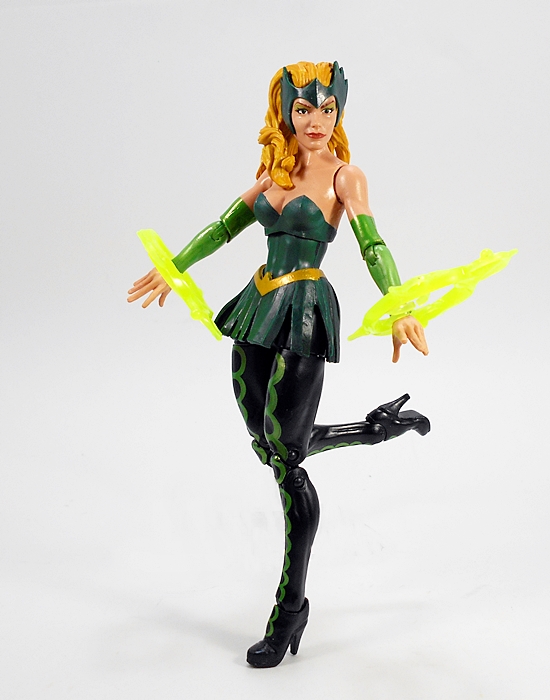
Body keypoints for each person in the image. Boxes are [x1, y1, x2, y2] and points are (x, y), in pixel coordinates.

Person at [128, 61, 430, 668]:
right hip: (259, 303)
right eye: (303, 108)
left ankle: (290, 606)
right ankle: (373, 430)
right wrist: (174, 266)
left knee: (286, 462)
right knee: (269, 443)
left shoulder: (345, 176)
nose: (316, 120)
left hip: (306, 310)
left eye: (327, 108)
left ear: (339, 111)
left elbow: (373, 244)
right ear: (286, 113)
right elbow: (224, 226)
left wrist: (400, 306)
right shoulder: (275, 171)